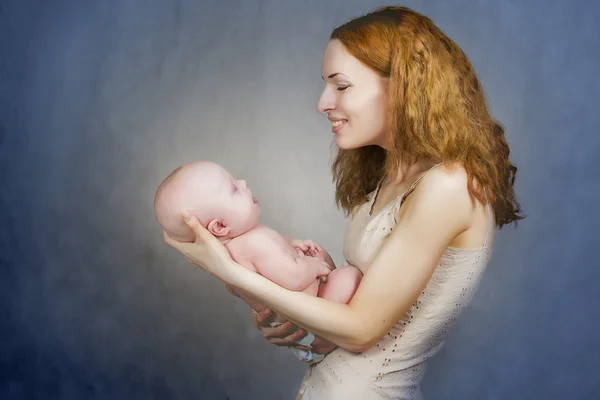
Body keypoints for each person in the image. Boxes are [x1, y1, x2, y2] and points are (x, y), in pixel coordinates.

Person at [162, 5, 523, 399]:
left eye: (342, 85)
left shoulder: (449, 185)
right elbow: (342, 306)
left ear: (402, 86)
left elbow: (360, 329)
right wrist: (282, 308)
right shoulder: (389, 178)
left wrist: (233, 274)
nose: (322, 103)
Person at [154, 161, 363, 364]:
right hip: (311, 324)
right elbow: (293, 278)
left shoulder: (236, 249)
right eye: (234, 189)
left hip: (300, 323)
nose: (243, 182)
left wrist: (294, 244)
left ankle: (322, 337)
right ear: (220, 227)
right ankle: (324, 342)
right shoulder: (252, 243)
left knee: (328, 265)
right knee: (348, 276)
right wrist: (315, 266)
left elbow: (274, 249)